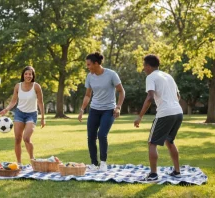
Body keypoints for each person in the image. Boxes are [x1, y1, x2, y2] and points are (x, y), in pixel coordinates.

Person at [134, 54, 183, 182]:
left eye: (144, 66)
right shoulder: (168, 76)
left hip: (165, 113)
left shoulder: (151, 77)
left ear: (149, 66)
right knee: (169, 141)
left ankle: (153, 174)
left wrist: (140, 116)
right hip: (178, 112)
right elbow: (178, 96)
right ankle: (177, 171)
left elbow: (149, 97)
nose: (144, 69)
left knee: (152, 143)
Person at [78, 52, 125, 172]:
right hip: (94, 110)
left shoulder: (111, 74)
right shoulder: (90, 76)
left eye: (89, 65)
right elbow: (88, 95)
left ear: (96, 63)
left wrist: (118, 107)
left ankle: (103, 162)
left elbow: (121, 91)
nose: (87, 67)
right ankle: (94, 164)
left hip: (109, 110)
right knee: (91, 137)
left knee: (102, 135)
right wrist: (82, 109)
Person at [0, 66, 45, 165]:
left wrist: (42, 118)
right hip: (19, 113)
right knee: (17, 139)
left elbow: (40, 103)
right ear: (23, 75)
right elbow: (13, 101)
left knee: (26, 138)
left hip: (32, 114)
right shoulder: (18, 86)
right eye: (26, 74)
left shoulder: (36, 86)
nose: (28, 76)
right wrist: (6, 109)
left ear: (33, 76)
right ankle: (19, 163)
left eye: (30, 74)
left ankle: (32, 159)